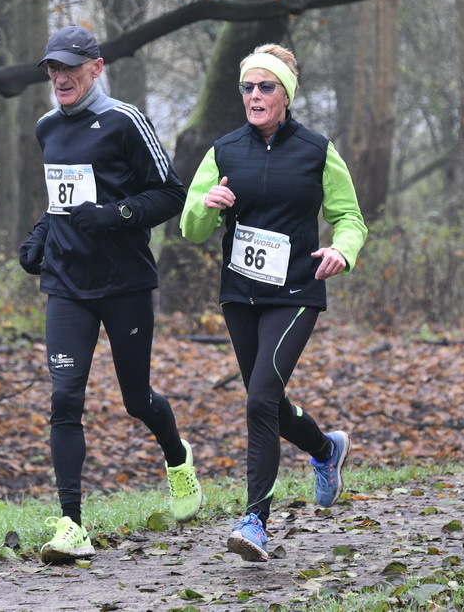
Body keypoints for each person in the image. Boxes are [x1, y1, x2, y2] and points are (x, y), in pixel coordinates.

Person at [18, 25, 202, 563]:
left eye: (69, 66)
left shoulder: (125, 121)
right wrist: (40, 235)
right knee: (64, 398)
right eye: (52, 68)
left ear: (96, 67)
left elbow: (172, 194)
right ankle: (71, 526)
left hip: (124, 283)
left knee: (135, 399)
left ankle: (177, 456)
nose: (59, 77)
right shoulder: (47, 127)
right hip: (68, 287)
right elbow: (60, 200)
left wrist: (115, 214)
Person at [180, 44, 367, 562]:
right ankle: (327, 450)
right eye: (247, 87)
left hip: (296, 291)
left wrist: (341, 251)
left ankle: (255, 522)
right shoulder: (223, 151)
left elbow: (350, 217)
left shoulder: (316, 150)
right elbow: (191, 228)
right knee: (271, 402)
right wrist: (206, 205)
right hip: (240, 293)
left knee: (259, 398)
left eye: (266, 87)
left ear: (286, 94)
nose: (255, 96)